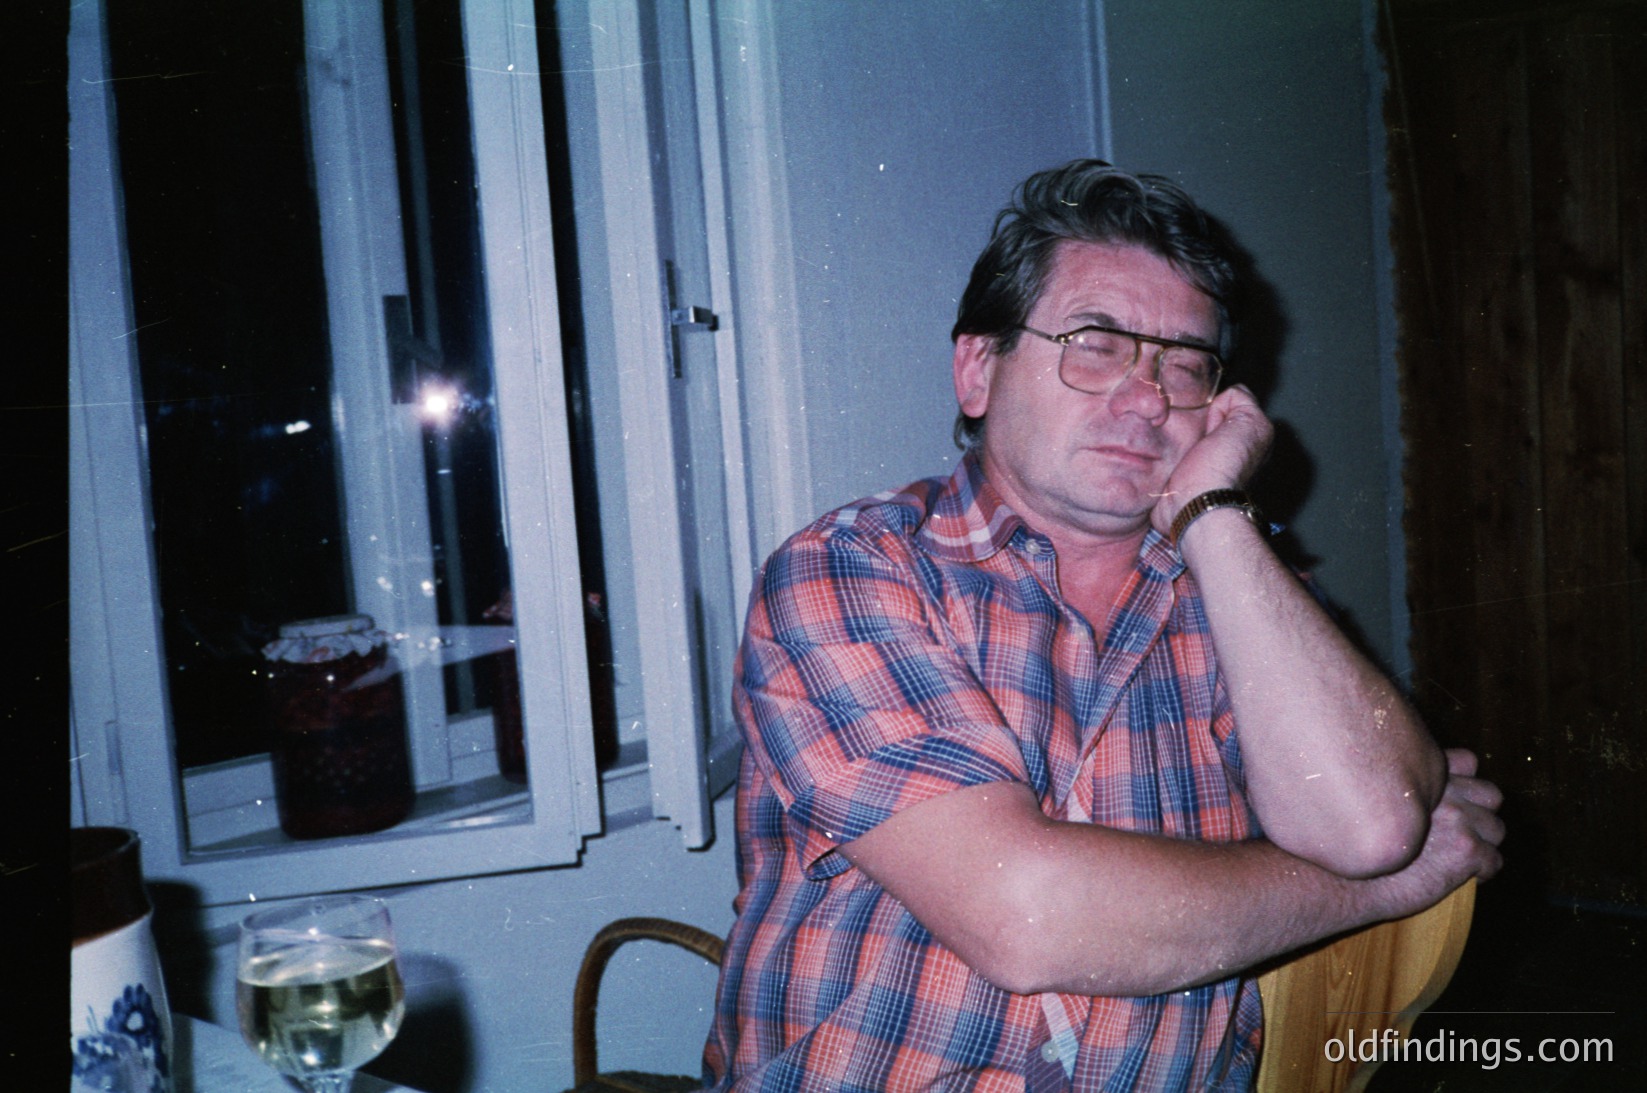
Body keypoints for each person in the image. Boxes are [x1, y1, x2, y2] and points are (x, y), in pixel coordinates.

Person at [701, 160, 1504, 1091]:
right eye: (1095, 345)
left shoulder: (1242, 593)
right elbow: (1024, 916)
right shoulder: (853, 568)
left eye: (1184, 364)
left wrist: (1211, 512)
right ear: (977, 370)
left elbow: (1371, 824)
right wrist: (1378, 890)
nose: (1148, 396)